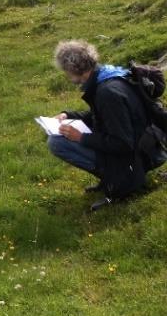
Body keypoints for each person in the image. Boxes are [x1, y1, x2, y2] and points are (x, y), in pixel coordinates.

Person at [47, 39, 148, 211]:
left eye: (66, 71)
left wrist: (81, 137)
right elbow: (102, 117)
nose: (66, 75)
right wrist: (68, 115)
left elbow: (123, 143)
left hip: (132, 158)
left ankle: (118, 182)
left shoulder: (107, 94)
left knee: (57, 143)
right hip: (143, 145)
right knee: (61, 137)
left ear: (73, 69)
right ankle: (110, 177)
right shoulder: (107, 76)